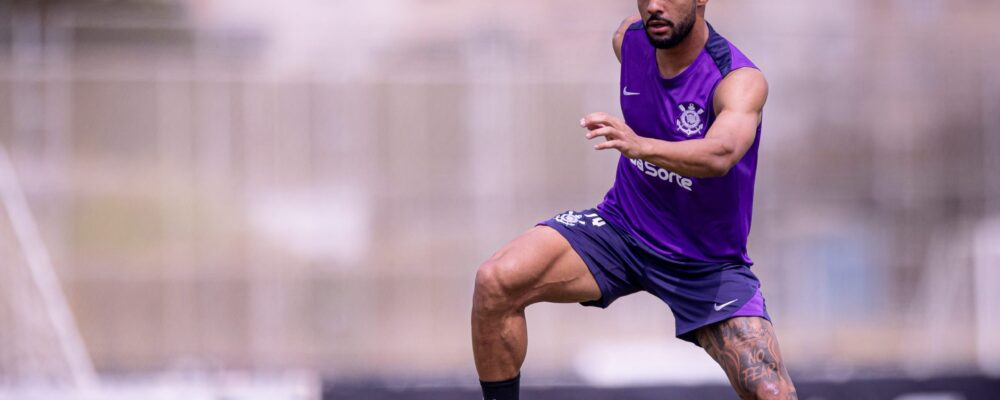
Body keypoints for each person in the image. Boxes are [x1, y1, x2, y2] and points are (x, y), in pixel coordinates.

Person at [470, 1, 798, 399]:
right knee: (496, 281)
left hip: (705, 262)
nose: (654, 6)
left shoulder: (739, 80)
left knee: (769, 390)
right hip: (622, 229)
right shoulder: (628, 41)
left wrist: (640, 146)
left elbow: (721, 154)